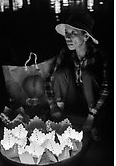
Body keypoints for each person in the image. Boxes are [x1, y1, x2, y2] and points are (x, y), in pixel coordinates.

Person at [44, 11, 109, 140]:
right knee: (62, 72)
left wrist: (92, 116)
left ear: (85, 37)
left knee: (87, 74)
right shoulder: (65, 53)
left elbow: (107, 87)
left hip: (93, 104)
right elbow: (49, 78)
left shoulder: (99, 55)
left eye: (74, 33)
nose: (68, 38)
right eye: (67, 33)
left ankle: (94, 119)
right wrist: (52, 105)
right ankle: (60, 113)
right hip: (72, 100)